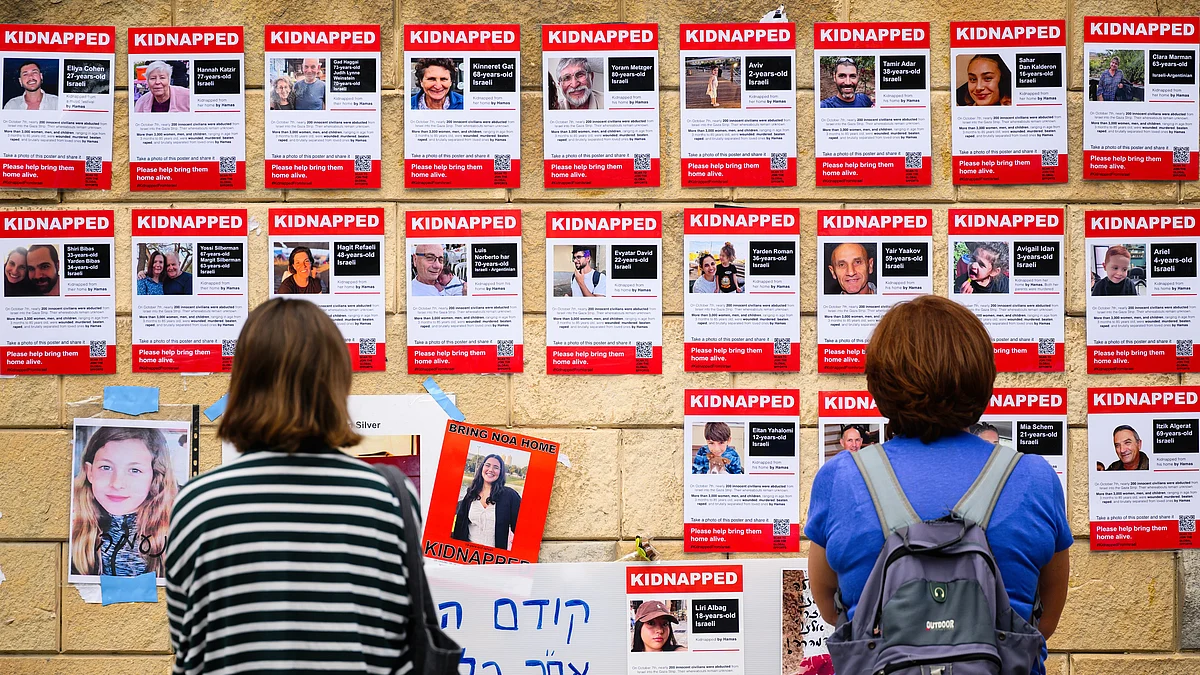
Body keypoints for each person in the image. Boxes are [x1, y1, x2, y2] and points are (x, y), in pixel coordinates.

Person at [806, 295, 1071, 675]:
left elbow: (831, 606)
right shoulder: (1033, 478)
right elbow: (1043, 623)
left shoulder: (842, 478)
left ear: (879, 380)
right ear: (982, 377)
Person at [166, 298, 417, 675]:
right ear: (336, 381)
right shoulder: (388, 498)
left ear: (245, 382)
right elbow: (403, 643)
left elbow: (188, 649)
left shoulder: (198, 503)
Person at [70, 425, 178, 577]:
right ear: (90, 472)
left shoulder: (176, 531)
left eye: (134, 470)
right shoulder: (71, 526)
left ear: (155, 478)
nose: (117, 484)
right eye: (106, 467)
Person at [451, 453, 521, 550]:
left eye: (496, 467)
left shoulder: (510, 496)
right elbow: (460, 524)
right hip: (467, 551)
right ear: (482, 468)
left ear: (500, 472)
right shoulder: (471, 492)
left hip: (494, 557)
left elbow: (522, 530)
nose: (491, 470)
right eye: (487, 465)